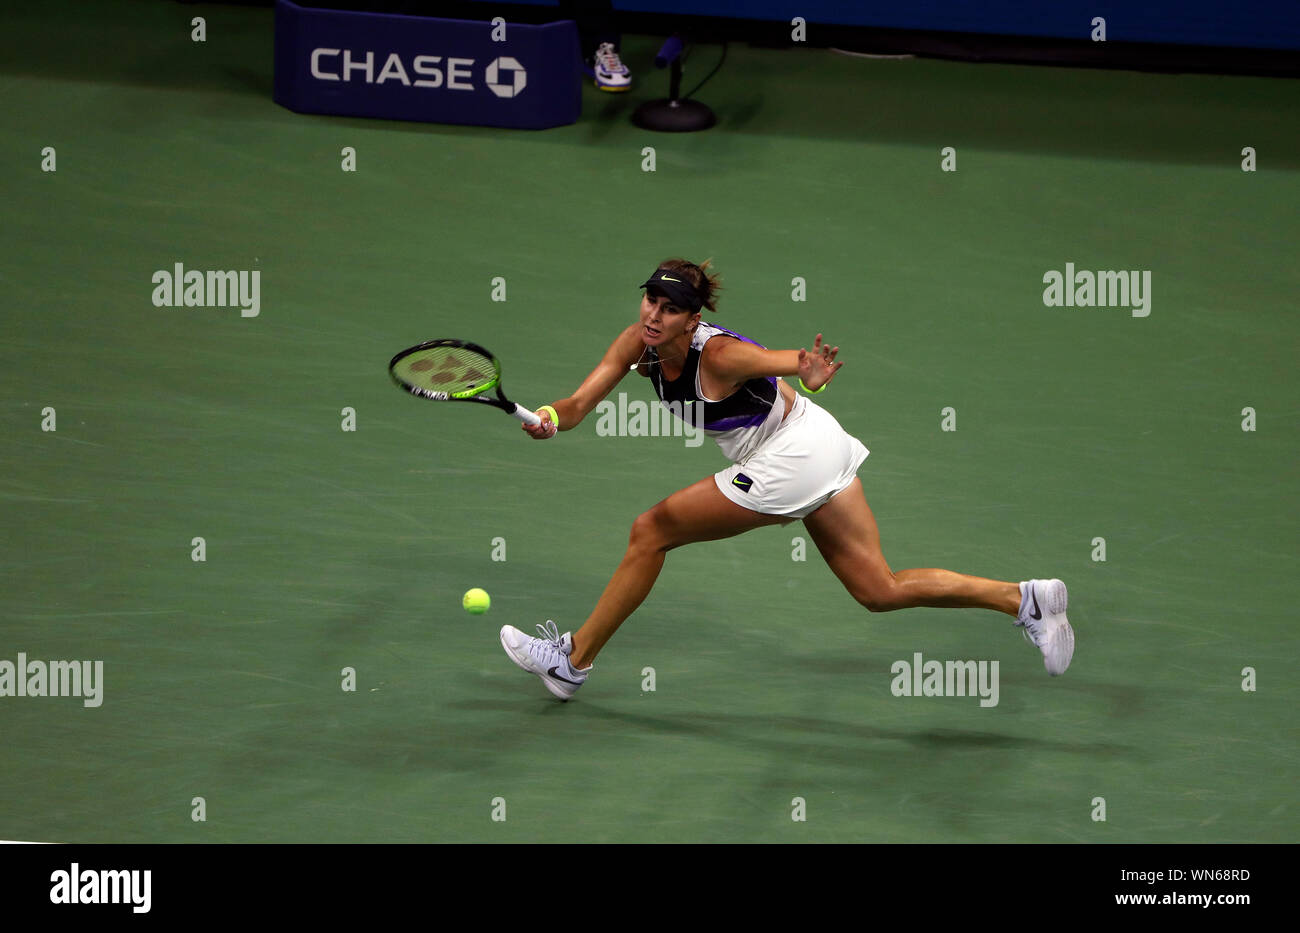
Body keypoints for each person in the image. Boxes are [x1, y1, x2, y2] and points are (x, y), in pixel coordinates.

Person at [500, 258, 1074, 700]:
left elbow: (781, 359)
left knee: (651, 531)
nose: (653, 314)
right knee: (879, 589)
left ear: (692, 319)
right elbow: (578, 403)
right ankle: (1024, 599)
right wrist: (551, 417)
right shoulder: (637, 344)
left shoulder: (719, 355)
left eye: (669, 308)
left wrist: (809, 369)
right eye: (650, 299)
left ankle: (571, 662)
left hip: (791, 453)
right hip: (816, 444)